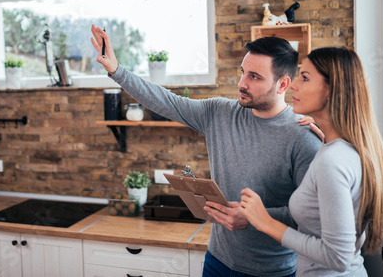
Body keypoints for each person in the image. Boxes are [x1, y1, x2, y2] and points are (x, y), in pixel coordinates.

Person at [91, 25, 322, 277]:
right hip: (217, 261)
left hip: (270, 271)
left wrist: (255, 217)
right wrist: (116, 70)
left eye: (255, 77)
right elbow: (166, 101)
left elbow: (313, 214)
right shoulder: (219, 113)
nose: (241, 83)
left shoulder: (303, 137)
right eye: (243, 72)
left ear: (283, 84)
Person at [239, 47, 383, 276]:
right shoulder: (344, 149)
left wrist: (265, 222)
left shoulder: (333, 160)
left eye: (305, 78)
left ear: (331, 90)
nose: (293, 85)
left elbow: (338, 257)